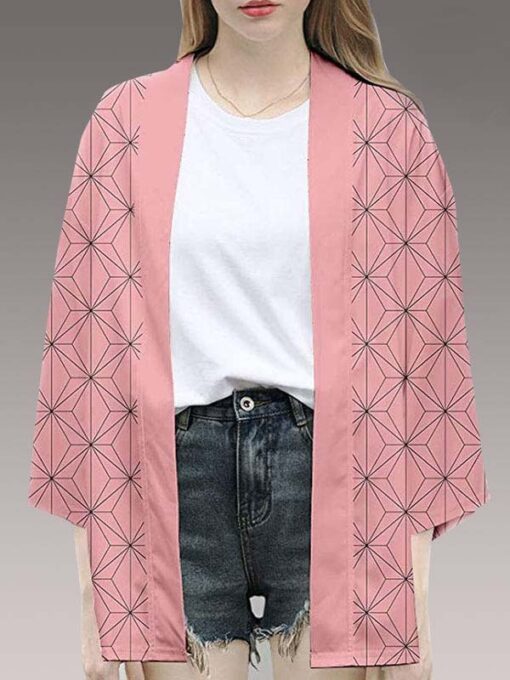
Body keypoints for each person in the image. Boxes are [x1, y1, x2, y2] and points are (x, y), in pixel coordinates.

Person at [28, 0, 489, 678]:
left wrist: (412, 600)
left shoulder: (388, 132)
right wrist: (92, 596)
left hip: (336, 485)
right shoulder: (125, 122)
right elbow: (84, 359)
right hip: (169, 486)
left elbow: (423, 370)